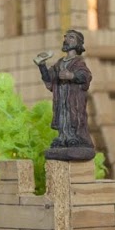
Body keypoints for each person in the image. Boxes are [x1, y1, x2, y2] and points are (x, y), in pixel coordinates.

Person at [34, 30, 95, 160]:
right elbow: (49, 79)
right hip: (61, 99)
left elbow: (86, 75)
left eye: (71, 38)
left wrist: (71, 75)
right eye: (66, 37)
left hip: (73, 100)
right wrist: (42, 65)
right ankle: (63, 138)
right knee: (62, 118)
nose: (67, 39)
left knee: (74, 118)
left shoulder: (78, 62)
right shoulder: (59, 63)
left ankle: (75, 138)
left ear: (78, 43)